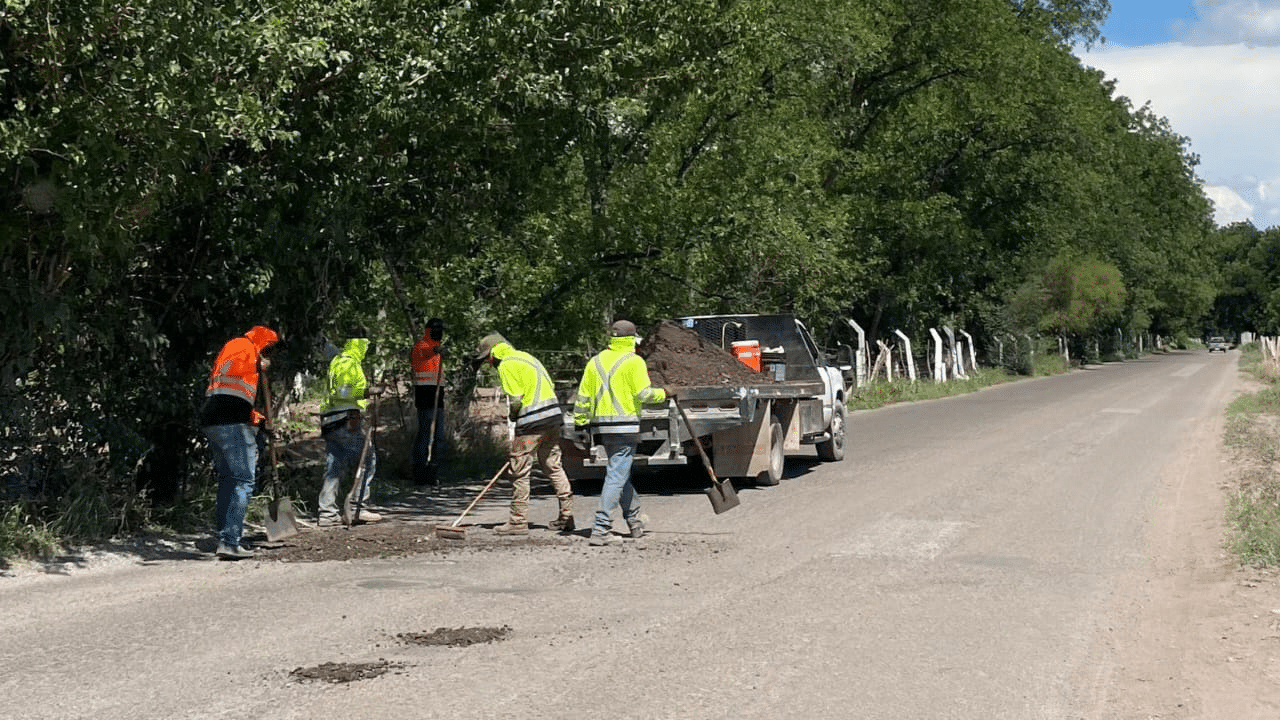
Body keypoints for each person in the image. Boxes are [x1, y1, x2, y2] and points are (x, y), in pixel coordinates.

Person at [572, 320, 666, 545]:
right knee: (616, 475)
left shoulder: (594, 362)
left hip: (603, 429)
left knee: (619, 474)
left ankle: (634, 523)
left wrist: (580, 423)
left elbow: (583, 397)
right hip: (626, 427)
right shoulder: (634, 362)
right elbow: (644, 394)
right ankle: (601, 529)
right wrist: (665, 393)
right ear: (632, 340)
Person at [476, 333, 575, 535]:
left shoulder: (506, 365)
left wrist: (513, 416)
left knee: (519, 470)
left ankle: (518, 521)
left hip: (532, 421)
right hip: (554, 418)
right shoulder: (527, 357)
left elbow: (516, 400)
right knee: (553, 466)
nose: (487, 363)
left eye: (486, 358)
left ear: (493, 353)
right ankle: (567, 516)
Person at [199, 325, 280, 560]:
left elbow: (235, 397)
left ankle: (222, 536)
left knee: (228, 479)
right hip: (231, 420)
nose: (269, 357)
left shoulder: (233, 348)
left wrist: (262, 421)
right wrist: (259, 364)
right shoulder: (245, 347)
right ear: (265, 344)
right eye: (270, 351)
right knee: (243, 479)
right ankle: (230, 542)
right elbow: (237, 387)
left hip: (215, 418)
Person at [317, 332, 383, 526]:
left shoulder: (337, 362)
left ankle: (327, 513)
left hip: (330, 421)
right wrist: (368, 391)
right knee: (367, 458)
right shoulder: (348, 363)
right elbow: (344, 392)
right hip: (343, 419)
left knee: (334, 467)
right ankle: (358, 505)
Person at [411, 317, 447, 485]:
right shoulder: (422, 346)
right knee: (426, 433)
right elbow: (426, 353)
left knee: (438, 435)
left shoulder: (437, 349)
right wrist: (438, 350)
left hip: (438, 394)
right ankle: (420, 470)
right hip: (425, 394)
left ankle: (435, 470)